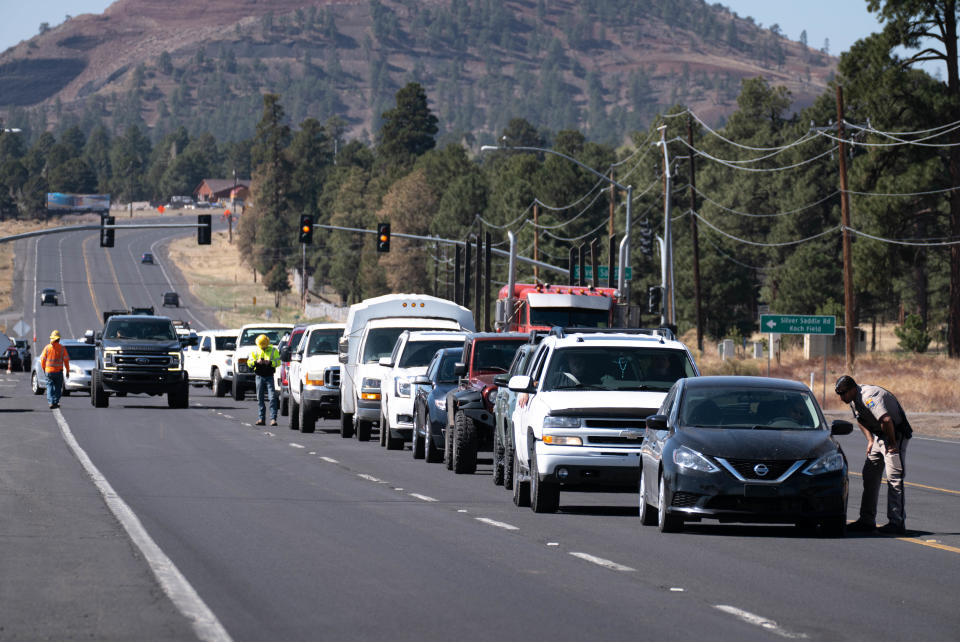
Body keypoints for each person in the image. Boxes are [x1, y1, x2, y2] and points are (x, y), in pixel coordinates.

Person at [835, 375, 913, 535]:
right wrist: (870, 440)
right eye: (839, 394)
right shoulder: (854, 400)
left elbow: (886, 419)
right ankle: (867, 520)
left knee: (894, 478)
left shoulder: (869, 397)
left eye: (843, 393)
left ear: (852, 389)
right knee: (870, 475)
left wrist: (891, 443)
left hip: (895, 434)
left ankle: (897, 522)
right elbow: (860, 419)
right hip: (880, 436)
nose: (841, 397)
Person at [247, 334, 281, 426]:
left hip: (269, 376)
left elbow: (278, 362)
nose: (263, 348)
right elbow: (249, 363)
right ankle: (261, 419)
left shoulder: (274, 350)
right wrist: (256, 362)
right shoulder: (255, 351)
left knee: (272, 398)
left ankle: (273, 419)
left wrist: (270, 362)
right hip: (259, 376)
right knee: (260, 398)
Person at [40, 330, 69, 409]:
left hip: (49, 371)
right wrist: (68, 371)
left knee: (49, 386)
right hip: (58, 372)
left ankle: (51, 402)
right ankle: (56, 401)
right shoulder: (62, 348)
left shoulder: (47, 348)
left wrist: (44, 369)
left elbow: (42, 360)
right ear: (59, 339)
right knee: (58, 387)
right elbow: (66, 361)